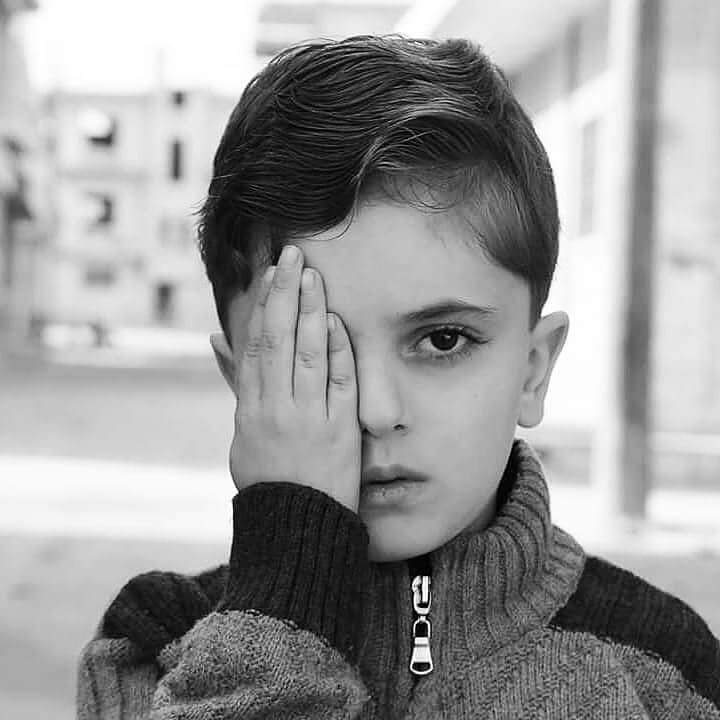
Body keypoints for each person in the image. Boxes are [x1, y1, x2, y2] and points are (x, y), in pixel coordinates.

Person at [76, 35, 720, 719]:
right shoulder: (153, 646)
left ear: (533, 371)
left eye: (443, 340)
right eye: (314, 353)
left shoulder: (663, 670)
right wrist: (285, 591)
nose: (377, 411)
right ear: (242, 385)